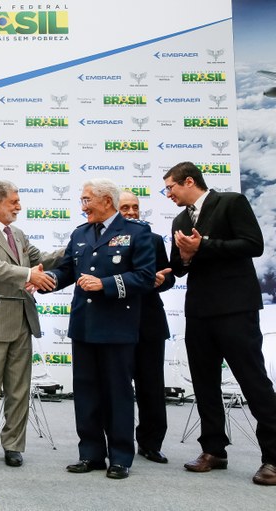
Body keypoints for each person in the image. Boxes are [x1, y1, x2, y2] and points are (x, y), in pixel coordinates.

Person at [163, 161, 276, 486]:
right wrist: (184, 258)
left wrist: (204, 245)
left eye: (170, 187)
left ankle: (273, 456)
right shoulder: (180, 219)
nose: (168, 194)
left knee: (253, 382)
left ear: (188, 181)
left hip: (235, 309)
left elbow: (254, 245)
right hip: (199, 311)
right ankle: (213, 450)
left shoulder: (230, 202)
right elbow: (179, 267)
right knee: (204, 384)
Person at [44, 178, 155, 479]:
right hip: (84, 325)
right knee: (86, 391)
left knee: (117, 392)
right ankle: (91, 453)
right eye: (82, 200)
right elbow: (67, 269)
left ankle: (120, 457)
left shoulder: (136, 233)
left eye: (86, 200)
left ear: (107, 201)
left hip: (118, 326)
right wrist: (46, 280)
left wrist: (104, 285)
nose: (83, 207)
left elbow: (145, 277)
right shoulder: (80, 233)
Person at [0, 180, 61, 468]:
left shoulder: (17, 234)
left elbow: (40, 260)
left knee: (19, 390)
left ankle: (14, 445)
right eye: (14, 201)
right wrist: (28, 274)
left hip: (21, 321)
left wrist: (75, 247)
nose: (19, 206)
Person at [118, 191, 175, 464]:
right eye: (125, 207)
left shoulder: (153, 239)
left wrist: (159, 281)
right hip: (116, 324)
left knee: (152, 387)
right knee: (117, 388)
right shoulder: (104, 241)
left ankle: (151, 443)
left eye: (135, 207)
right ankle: (118, 442)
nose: (131, 212)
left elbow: (167, 277)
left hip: (150, 324)